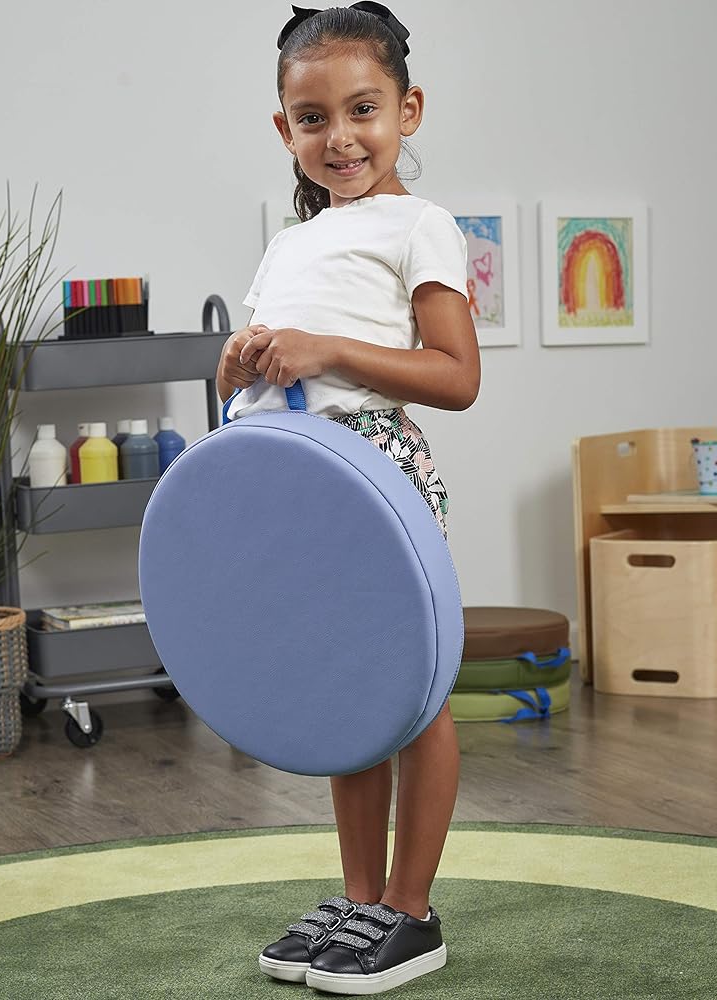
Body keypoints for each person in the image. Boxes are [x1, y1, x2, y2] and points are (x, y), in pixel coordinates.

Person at [215, 3, 480, 993]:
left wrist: (325, 347)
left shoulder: (422, 225)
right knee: (345, 691)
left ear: (408, 110)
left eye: (363, 109)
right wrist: (236, 367)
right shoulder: (289, 244)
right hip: (298, 480)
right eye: (313, 117)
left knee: (415, 691)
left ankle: (410, 910)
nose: (341, 136)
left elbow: (456, 375)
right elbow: (270, 377)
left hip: (378, 474)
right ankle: (360, 897)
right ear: (283, 128)